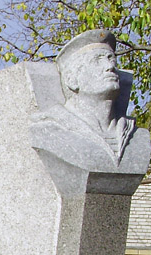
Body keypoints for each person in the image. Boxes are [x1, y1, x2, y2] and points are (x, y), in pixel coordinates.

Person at [31, 29, 139, 165]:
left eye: (111, 58)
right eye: (97, 60)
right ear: (72, 80)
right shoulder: (50, 130)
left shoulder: (136, 135)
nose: (110, 66)